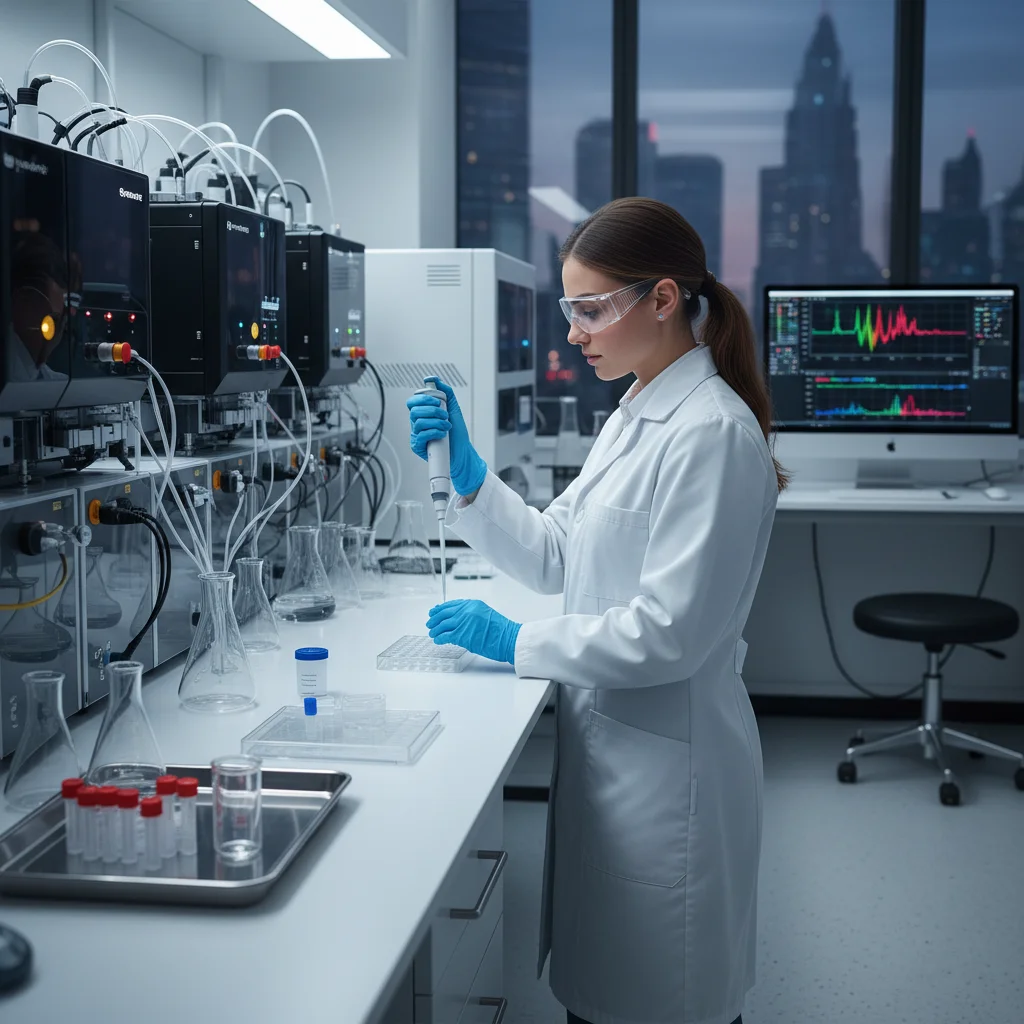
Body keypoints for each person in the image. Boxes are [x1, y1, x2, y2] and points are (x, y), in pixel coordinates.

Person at [407, 196, 786, 1024]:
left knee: (661, 1000)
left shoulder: (710, 434)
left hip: (671, 773)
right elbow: (555, 554)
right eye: (567, 310)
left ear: (661, 298)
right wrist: (471, 479)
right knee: (609, 998)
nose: (573, 334)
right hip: (619, 754)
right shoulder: (635, 412)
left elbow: (671, 633)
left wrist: (517, 643)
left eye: (590, 310)